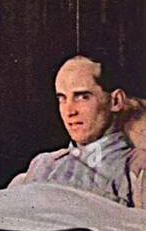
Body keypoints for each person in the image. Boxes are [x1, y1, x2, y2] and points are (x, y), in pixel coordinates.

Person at [9, 52, 138, 205]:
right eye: (62, 98)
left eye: (82, 97)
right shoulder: (43, 164)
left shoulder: (131, 167)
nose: (69, 111)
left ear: (115, 101)